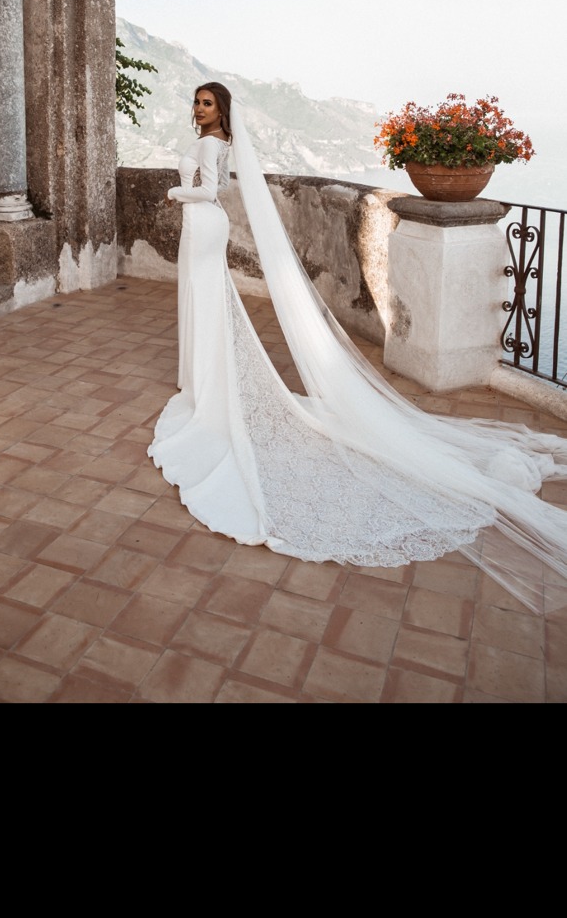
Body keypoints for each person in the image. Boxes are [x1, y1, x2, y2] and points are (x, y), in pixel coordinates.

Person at [148, 83, 567, 613]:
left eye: (207, 102)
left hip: (203, 223)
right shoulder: (216, 141)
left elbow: (209, 191)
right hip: (203, 227)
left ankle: (206, 385)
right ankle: (202, 378)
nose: (199, 108)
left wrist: (175, 194)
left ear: (222, 110)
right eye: (197, 101)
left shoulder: (211, 144)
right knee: (203, 299)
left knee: (206, 297)